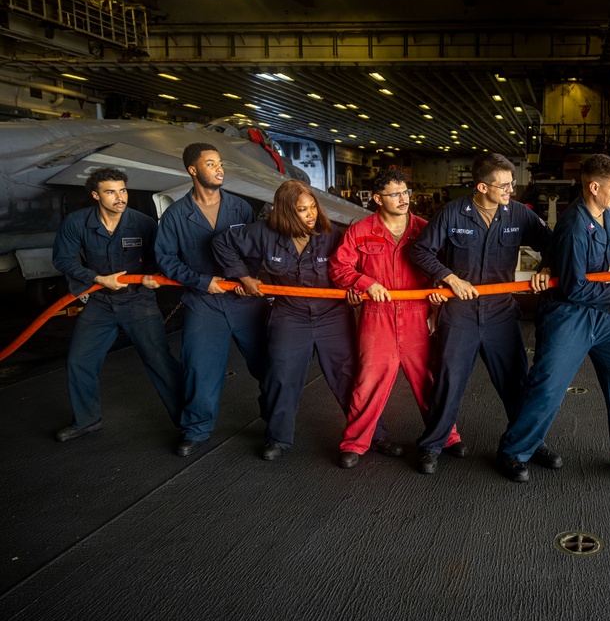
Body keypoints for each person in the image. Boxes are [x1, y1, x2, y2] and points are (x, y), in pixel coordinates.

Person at [496, 154, 610, 483]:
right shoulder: (574, 226)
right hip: (569, 315)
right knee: (548, 387)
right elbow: (574, 288)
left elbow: (608, 243)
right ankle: (512, 452)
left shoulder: (607, 212)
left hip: (599, 315)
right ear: (594, 187)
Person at [212, 179, 399, 461]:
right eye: (302, 209)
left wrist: (354, 292)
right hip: (290, 315)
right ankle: (278, 438)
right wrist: (245, 276)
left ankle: (375, 433)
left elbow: (351, 269)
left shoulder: (330, 234)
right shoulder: (264, 233)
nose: (311, 214)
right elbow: (222, 243)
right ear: (287, 212)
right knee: (281, 377)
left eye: (312, 206)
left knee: (349, 378)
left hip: (332, 315)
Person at [410, 152, 556, 474]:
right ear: (481, 187)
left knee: (515, 382)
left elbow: (554, 243)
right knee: (449, 381)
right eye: (503, 185)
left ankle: (529, 442)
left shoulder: (518, 214)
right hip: (459, 313)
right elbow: (419, 250)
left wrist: (546, 267)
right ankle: (432, 445)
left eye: (511, 184)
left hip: (501, 312)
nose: (510, 191)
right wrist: (449, 277)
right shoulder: (452, 214)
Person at [329, 168, 463, 468]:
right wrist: (365, 283)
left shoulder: (426, 229)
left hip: (416, 314)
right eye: (394, 194)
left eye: (405, 192)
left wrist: (438, 291)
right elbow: (339, 268)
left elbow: (445, 268)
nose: (403, 199)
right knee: (368, 382)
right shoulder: (360, 230)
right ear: (377, 199)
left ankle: (447, 436)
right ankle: (355, 442)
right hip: (377, 316)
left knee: (430, 379)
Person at [51, 167, 183, 441]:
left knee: (160, 361)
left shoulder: (144, 224)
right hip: (100, 302)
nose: (119, 197)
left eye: (122, 190)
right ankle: (86, 420)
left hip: (139, 302)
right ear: (95, 195)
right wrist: (97, 278)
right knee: (79, 361)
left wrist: (156, 277)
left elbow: (163, 259)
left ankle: (188, 424)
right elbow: (63, 260)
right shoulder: (76, 223)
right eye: (110, 192)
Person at [154, 143, 268, 457]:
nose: (219, 168)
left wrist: (247, 278)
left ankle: (275, 422)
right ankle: (196, 430)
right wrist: (203, 281)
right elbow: (166, 260)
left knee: (268, 362)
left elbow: (255, 250)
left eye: (220, 163)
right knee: (199, 369)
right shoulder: (176, 215)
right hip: (203, 303)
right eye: (210, 163)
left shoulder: (241, 208)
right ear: (193, 170)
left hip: (244, 300)